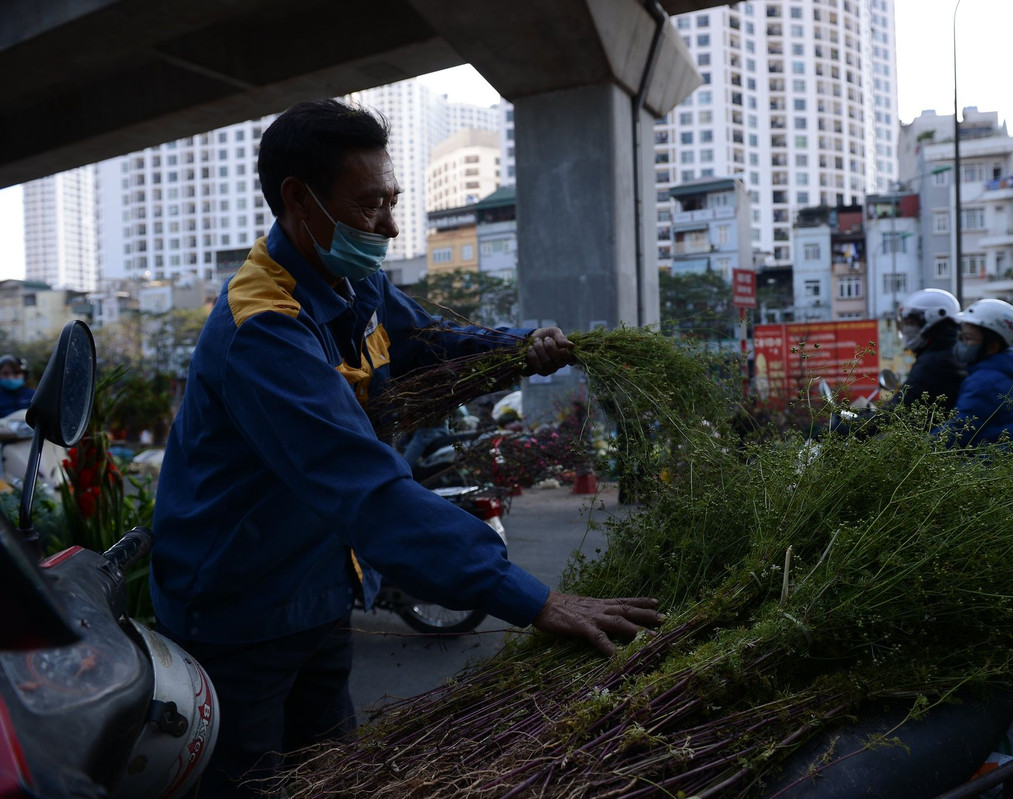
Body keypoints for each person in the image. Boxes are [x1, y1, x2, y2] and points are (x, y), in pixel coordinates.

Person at [148, 99, 661, 798]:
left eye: (393, 201)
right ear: (300, 200)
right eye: (370, 206)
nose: (389, 226)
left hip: (320, 592)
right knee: (250, 783)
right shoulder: (261, 332)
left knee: (331, 775)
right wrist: (537, 600)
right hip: (240, 616)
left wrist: (519, 353)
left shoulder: (354, 283)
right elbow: (370, 491)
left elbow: (430, 346)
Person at [936, 299, 1013, 453]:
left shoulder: (986, 382)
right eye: (962, 337)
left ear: (992, 346)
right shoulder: (1002, 371)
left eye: (968, 338)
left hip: (999, 467)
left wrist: (919, 448)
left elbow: (959, 429)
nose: (962, 344)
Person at [891, 288, 966, 411]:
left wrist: (851, 426)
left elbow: (895, 412)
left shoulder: (935, 364)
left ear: (930, 320)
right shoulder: (949, 352)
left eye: (911, 323)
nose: (908, 329)